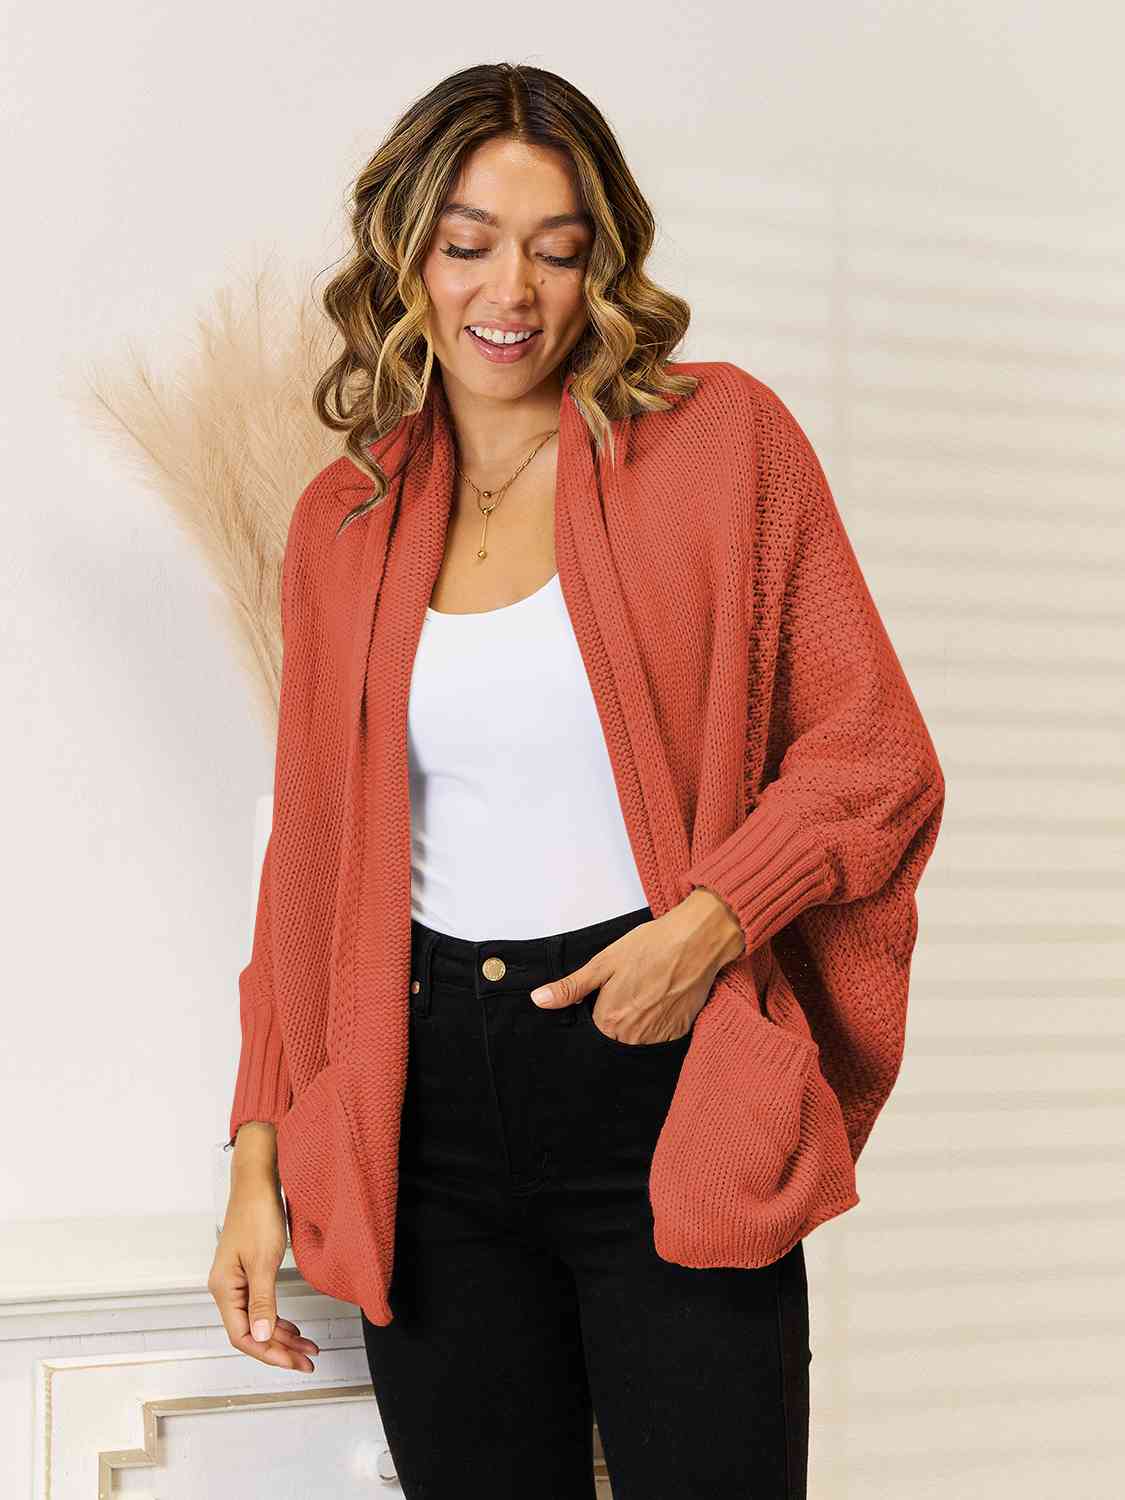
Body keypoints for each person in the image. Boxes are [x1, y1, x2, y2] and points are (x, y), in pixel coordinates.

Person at [209, 62, 944, 1500]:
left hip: (657, 1074)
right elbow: (307, 871)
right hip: (421, 1108)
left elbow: (874, 753)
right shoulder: (341, 520)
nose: (512, 292)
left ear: (601, 264)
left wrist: (708, 928)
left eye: (555, 250)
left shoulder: (720, 443)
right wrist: (253, 1163)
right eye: (468, 244)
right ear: (406, 257)